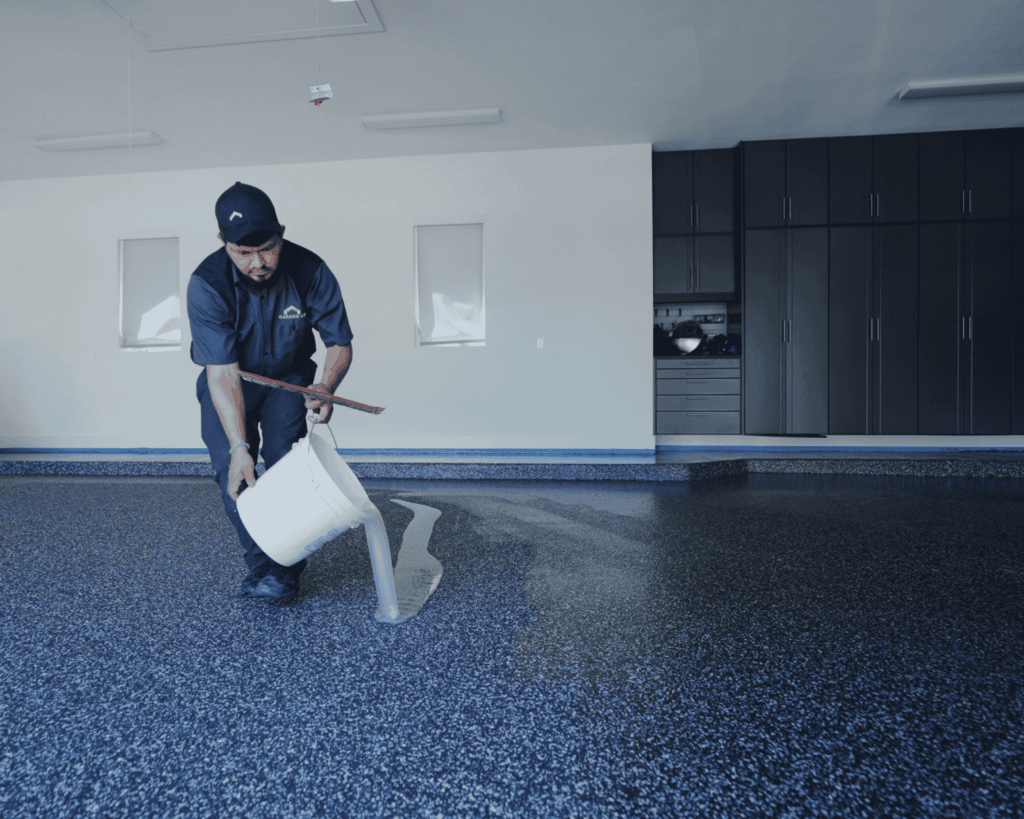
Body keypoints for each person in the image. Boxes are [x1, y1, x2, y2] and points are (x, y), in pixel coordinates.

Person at [186, 182, 354, 603]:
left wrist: (326, 384)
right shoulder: (207, 283)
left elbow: (339, 344)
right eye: (243, 252)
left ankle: (285, 569)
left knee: (285, 464)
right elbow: (222, 372)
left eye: (268, 248)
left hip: (290, 379)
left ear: (281, 233)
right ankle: (263, 567)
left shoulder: (310, 268)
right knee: (235, 467)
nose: (258, 262)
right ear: (223, 242)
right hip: (230, 380)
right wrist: (240, 446)